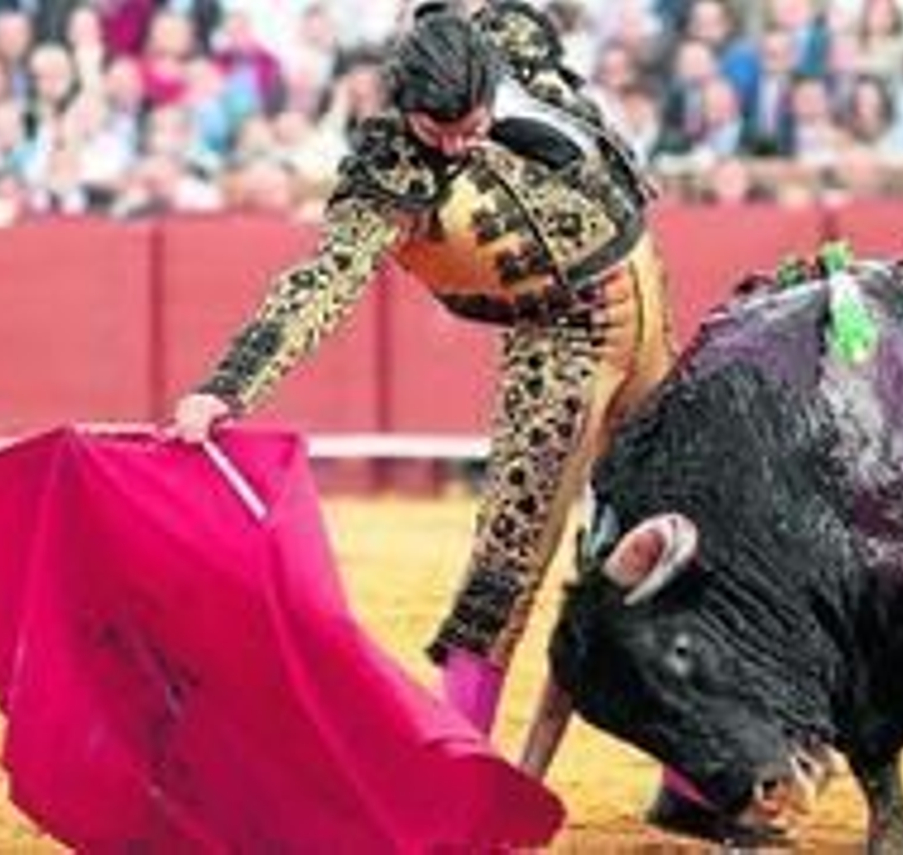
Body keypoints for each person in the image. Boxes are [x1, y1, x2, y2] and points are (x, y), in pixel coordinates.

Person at [169, 0, 672, 739]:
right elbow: (324, 280)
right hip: (559, 341)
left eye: (473, 122)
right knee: (506, 568)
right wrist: (225, 386)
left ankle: (699, 780)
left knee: (684, 530)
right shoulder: (390, 175)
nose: (464, 144)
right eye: (443, 132)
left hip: (647, 291)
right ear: (407, 110)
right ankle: (457, 766)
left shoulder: (506, 41)